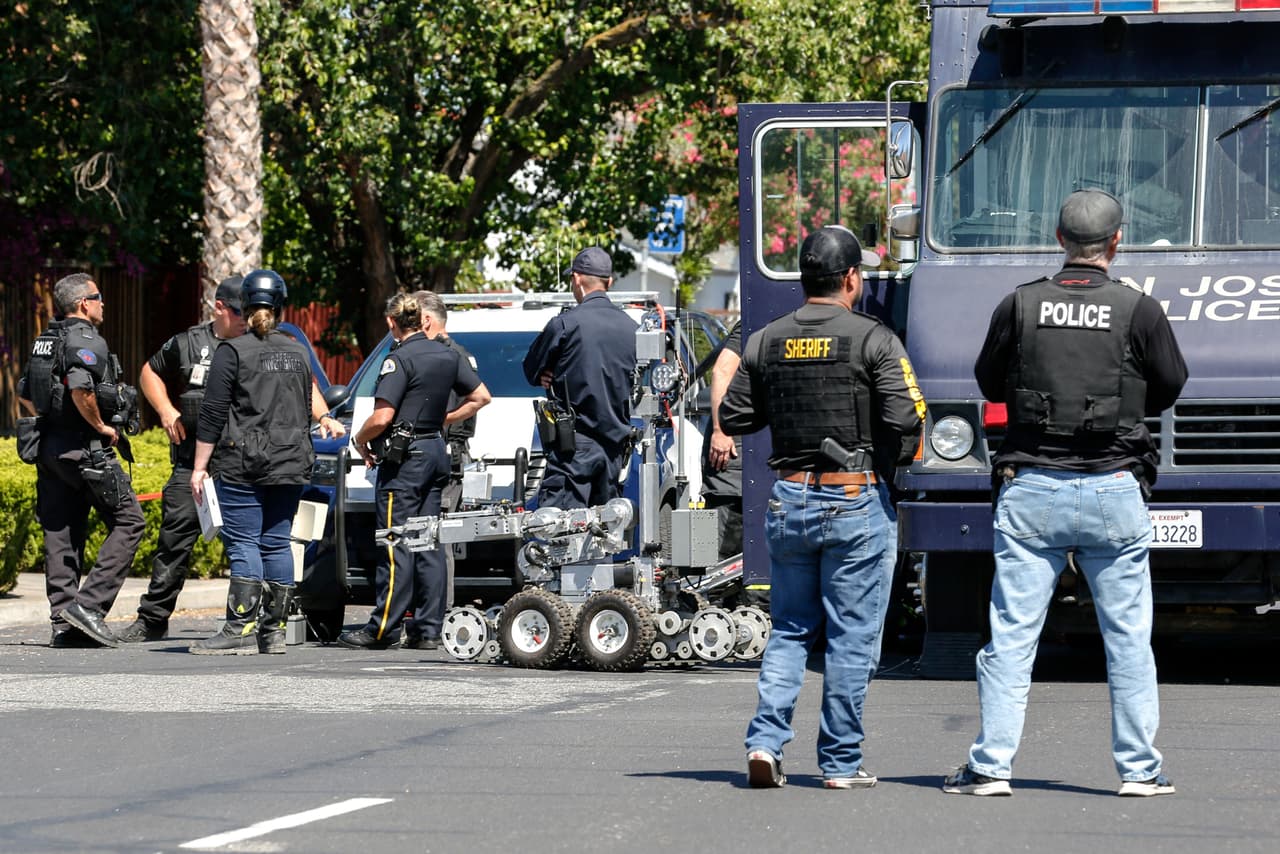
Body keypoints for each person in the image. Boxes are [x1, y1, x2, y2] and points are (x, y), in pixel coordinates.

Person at [944, 189, 1188, 798]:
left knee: (1012, 637)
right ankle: (1139, 771)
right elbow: (1169, 386)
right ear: (1116, 243)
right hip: (1114, 488)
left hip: (1032, 490)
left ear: (1058, 240)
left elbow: (988, 380)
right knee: (1129, 639)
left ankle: (992, 766)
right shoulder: (1140, 311)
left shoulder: (1020, 306)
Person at [720, 225, 926, 790]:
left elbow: (735, 418)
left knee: (788, 629)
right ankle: (838, 763)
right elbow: (908, 418)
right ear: (853, 279)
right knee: (852, 635)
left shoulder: (765, 339)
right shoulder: (873, 338)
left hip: (789, 498)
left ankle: (765, 743)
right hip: (854, 496)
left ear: (805, 279)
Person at [188, 269, 345, 655]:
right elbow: (307, 402)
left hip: (245, 463)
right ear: (279, 306)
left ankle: (238, 627)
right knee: (276, 544)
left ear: (244, 305)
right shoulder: (297, 351)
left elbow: (212, 414)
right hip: (291, 462)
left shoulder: (233, 351)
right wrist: (324, 419)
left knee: (244, 543)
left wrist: (198, 467)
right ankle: (271, 632)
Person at [339, 292, 491, 651]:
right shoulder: (447, 354)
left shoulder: (399, 359)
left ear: (393, 323)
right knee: (430, 542)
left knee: (395, 542)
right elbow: (482, 397)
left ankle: (383, 629)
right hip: (437, 453)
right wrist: (444, 420)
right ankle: (428, 629)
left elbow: (383, 417)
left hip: (405, 460)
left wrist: (360, 439)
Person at [18, 272, 147, 648]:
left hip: (50, 448)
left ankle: (63, 621)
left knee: (62, 531)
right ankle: (88, 608)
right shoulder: (84, 338)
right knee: (129, 522)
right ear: (83, 304)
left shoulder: (47, 339)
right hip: (85, 449)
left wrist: (54, 416)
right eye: (99, 297)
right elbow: (80, 387)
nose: (103, 303)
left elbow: (26, 392)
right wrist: (102, 426)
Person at [117, 277, 247, 642]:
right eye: (239, 312)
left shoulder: (260, 345)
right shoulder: (190, 342)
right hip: (191, 462)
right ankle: (153, 619)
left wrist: (323, 417)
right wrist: (165, 410)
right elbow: (149, 371)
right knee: (173, 541)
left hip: (241, 462)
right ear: (219, 307)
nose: (245, 319)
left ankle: (248, 621)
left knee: (246, 544)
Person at [522, 246, 638, 509]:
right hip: (614, 449)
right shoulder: (632, 327)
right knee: (603, 534)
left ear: (576, 278)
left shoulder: (565, 324)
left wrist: (548, 374)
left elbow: (531, 370)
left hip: (573, 446)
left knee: (561, 533)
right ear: (608, 282)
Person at [414, 289, 480, 608]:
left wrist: (443, 420)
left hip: (442, 459)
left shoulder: (442, 356)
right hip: (448, 457)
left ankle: (437, 610)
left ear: (426, 320)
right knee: (436, 537)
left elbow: (475, 402)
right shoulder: (458, 354)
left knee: (435, 538)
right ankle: (434, 609)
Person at [702, 321, 744, 561]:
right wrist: (721, 430)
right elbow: (721, 371)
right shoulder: (753, 322)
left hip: (749, 468)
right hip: (732, 468)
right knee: (716, 560)